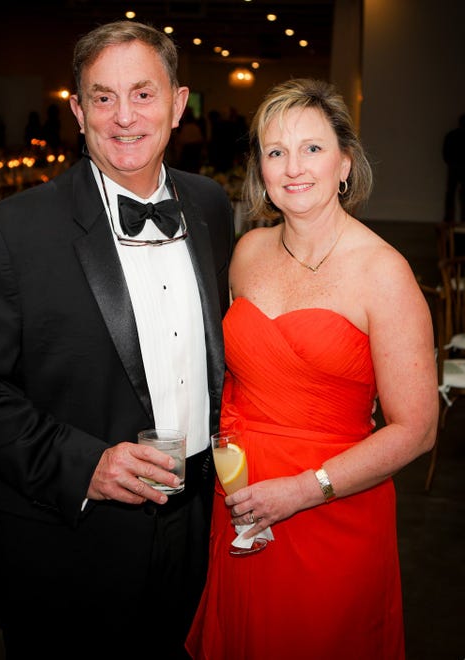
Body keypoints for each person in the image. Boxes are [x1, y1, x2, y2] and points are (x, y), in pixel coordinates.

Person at [0, 20, 234, 660]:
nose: (124, 117)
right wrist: (84, 466)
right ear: (78, 110)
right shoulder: (12, 232)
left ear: (179, 105)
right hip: (69, 552)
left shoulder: (210, 207)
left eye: (144, 94)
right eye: (102, 97)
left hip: (199, 534)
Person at [185, 78, 439, 659]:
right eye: (276, 152)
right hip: (244, 510)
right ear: (261, 171)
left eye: (313, 148)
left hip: (332, 512)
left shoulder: (384, 272)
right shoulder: (247, 252)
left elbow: (417, 429)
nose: (293, 167)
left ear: (345, 163)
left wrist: (304, 489)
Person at [442, 113, 465, 223]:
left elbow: (445, 151)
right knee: (453, 193)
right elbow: (446, 151)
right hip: (455, 166)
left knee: (453, 193)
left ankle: (452, 218)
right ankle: (452, 218)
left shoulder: (452, 135)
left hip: (455, 166)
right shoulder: (452, 135)